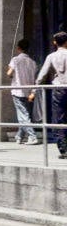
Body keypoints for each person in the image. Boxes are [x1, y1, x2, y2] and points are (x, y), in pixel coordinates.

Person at [35, 31, 67, 160]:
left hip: (58, 89)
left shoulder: (51, 56)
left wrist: (35, 88)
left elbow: (42, 75)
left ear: (55, 42)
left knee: (59, 118)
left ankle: (64, 149)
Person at [7, 38, 40, 144]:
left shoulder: (15, 60)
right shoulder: (33, 62)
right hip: (28, 92)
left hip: (17, 91)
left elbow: (9, 74)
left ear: (18, 48)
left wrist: (9, 70)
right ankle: (19, 136)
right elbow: (35, 79)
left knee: (23, 115)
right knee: (24, 114)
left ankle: (32, 136)